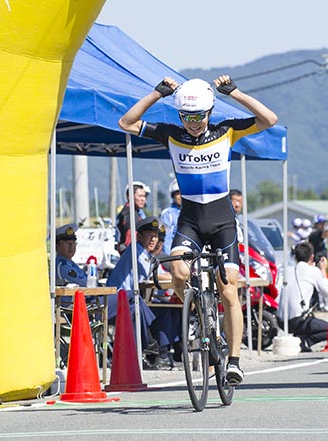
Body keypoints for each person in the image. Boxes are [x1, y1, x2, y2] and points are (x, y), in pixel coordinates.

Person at [118, 75, 278, 385]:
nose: (193, 123)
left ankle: (233, 360)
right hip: (190, 220)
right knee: (177, 273)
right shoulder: (171, 135)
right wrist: (156, 94)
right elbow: (127, 122)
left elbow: (269, 119)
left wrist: (236, 93)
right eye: (186, 117)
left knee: (229, 290)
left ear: (209, 112)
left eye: (199, 116)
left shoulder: (226, 131)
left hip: (221, 222)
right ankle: (200, 314)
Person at [106, 216, 164, 367]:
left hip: (127, 299)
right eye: (150, 235)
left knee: (160, 308)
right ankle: (152, 345)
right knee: (137, 300)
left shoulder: (144, 253)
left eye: (156, 236)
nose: (153, 240)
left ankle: (156, 347)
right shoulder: (136, 251)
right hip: (116, 297)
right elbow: (150, 274)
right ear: (139, 236)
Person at [277, 242, 328, 352]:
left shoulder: (286, 270)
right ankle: (306, 341)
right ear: (312, 257)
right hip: (299, 321)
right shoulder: (313, 271)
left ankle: (300, 337)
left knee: (311, 319)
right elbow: (326, 293)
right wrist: (323, 271)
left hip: (281, 321)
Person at [116, 180, 150, 253]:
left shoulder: (134, 211)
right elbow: (130, 242)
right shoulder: (129, 214)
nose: (143, 199)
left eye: (144, 196)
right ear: (129, 196)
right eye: (140, 196)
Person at [159, 178, 182, 256]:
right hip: (173, 256)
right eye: (178, 193)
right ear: (173, 196)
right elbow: (166, 238)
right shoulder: (168, 214)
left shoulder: (191, 212)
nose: (181, 196)